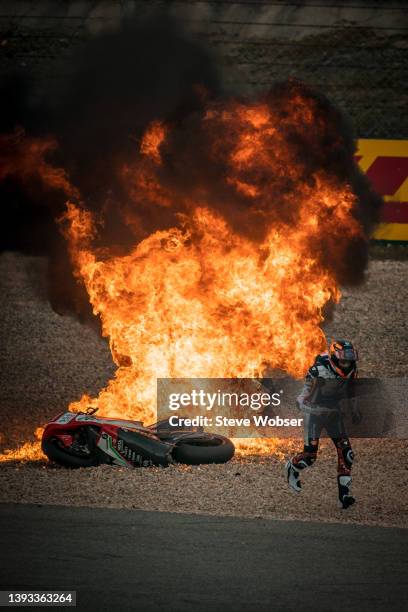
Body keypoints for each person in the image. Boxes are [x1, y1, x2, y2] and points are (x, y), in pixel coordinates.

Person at [285, 339, 361, 509]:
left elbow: (353, 391)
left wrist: (355, 410)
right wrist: (305, 404)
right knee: (310, 457)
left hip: (334, 413)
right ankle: (292, 466)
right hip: (315, 414)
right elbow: (304, 393)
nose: (347, 364)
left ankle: (344, 497)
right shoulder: (318, 369)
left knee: (347, 453)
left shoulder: (352, 370)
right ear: (334, 358)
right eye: (343, 360)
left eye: (349, 360)